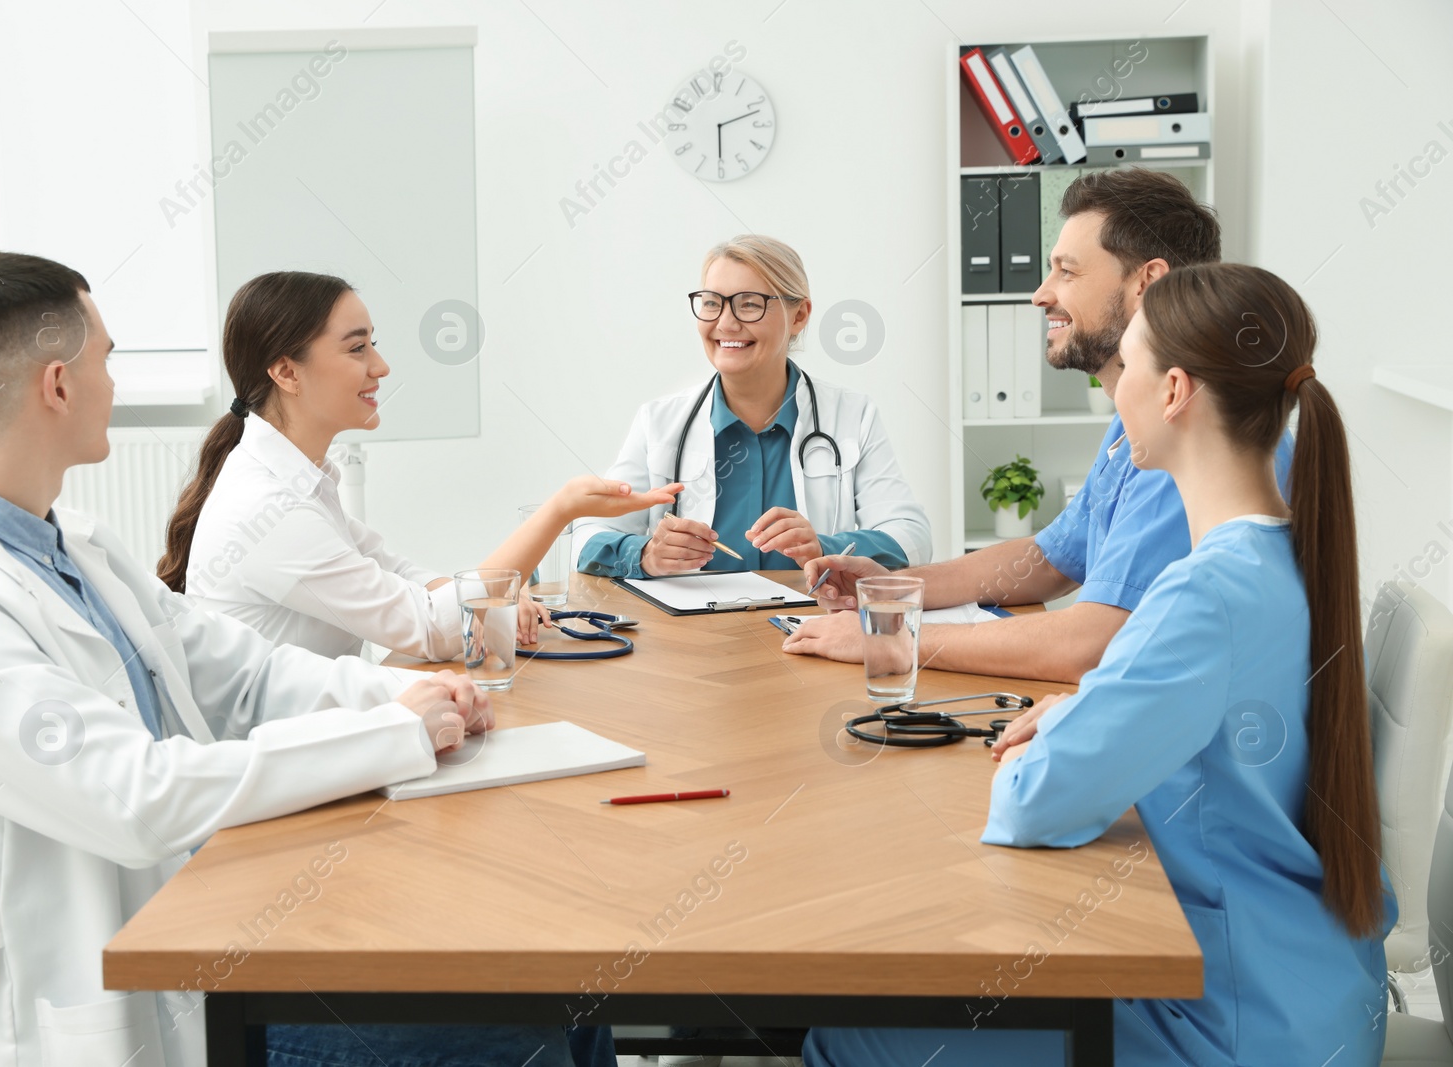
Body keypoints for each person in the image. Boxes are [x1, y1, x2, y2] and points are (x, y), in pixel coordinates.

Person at [0, 252, 577, 1067]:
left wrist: (417, 692)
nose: (114, 384)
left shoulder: (77, 543)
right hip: (148, 998)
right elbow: (138, 799)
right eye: (107, 360)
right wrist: (394, 733)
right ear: (57, 384)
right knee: (532, 1032)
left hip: (228, 916)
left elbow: (248, 674)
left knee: (567, 1004)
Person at [805, 263, 1394, 1065]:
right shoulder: (1290, 554)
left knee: (851, 1033)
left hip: (1232, 1020)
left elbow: (1033, 805)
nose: (1116, 390)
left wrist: (1065, 728)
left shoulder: (1203, 593)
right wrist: (1085, 713)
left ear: (1176, 390)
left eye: (1132, 366)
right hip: (1307, 988)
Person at [785, 169, 1290, 683]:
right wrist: (896, 586)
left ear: (1148, 283)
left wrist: (890, 639)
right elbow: (1050, 559)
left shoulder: (1186, 440)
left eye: (1067, 272)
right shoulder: (1134, 427)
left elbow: (1090, 646)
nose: (1040, 294)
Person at [159, 270, 679, 664]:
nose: (380, 367)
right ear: (286, 372)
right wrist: (558, 512)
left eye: (373, 344)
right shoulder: (269, 509)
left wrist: (498, 598)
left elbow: (399, 572)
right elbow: (432, 629)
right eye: (357, 348)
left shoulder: (301, 481)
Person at [572, 235, 930, 579]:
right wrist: (646, 554)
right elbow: (586, 538)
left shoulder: (853, 416)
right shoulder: (659, 422)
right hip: (692, 637)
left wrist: (825, 548)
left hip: (812, 629)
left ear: (800, 315)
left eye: (749, 304)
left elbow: (912, 538)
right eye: (712, 302)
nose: (725, 323)